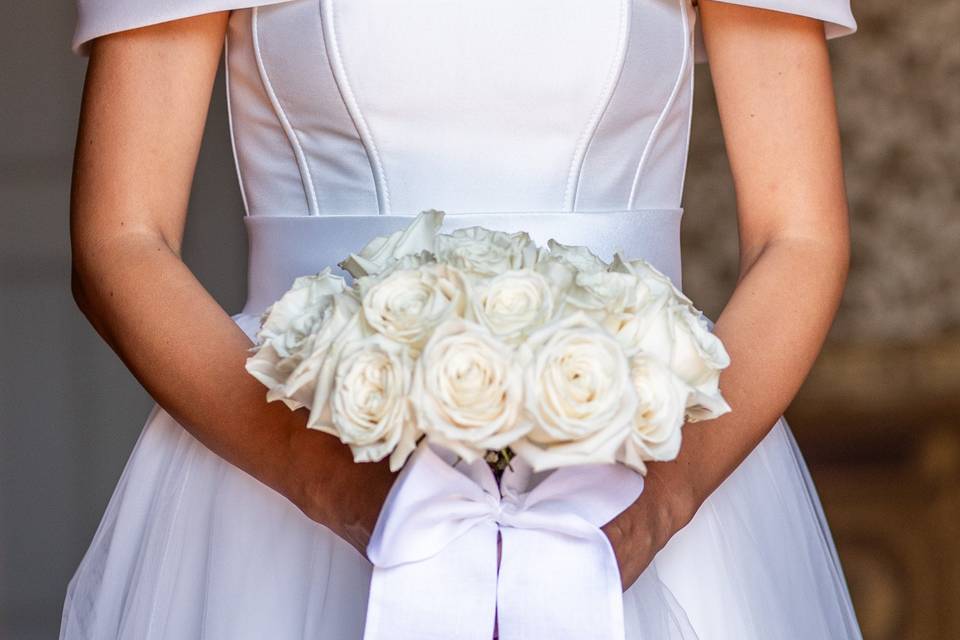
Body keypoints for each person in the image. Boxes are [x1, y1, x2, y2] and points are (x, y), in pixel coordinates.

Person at [60, 0, 863, 637]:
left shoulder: (662, 498)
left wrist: (662, 503)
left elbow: (799, 239)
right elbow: (121, 239)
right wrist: (331, 485)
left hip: (652, 470)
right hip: (280, 479)